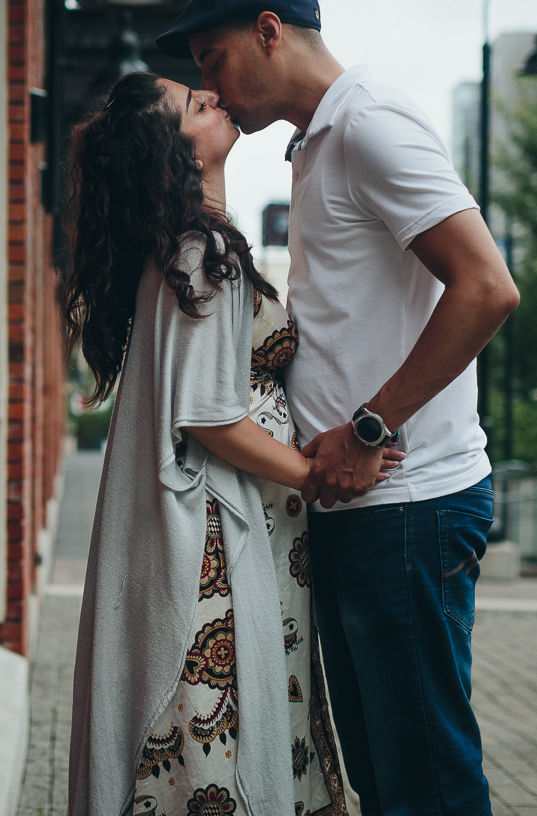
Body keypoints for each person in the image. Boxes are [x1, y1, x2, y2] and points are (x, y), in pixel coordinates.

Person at [155, 2, 521, 815]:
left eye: (212, 59)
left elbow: (488, 287)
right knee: (386, 780)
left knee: (426, 781)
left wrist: (368, 428)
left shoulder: (369, 123)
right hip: (358, 510)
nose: (208, 84)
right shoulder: (316, 140)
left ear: (268, 28)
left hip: (407, 504)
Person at [63, 70, 398, 816]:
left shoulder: (192, 246)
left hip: (242, 529)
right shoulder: (198, 252)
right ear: (168, 149)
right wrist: (317, 473)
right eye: (193, 102)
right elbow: (209, 416)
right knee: (218, 737)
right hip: (222, 545)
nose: (212, 95)